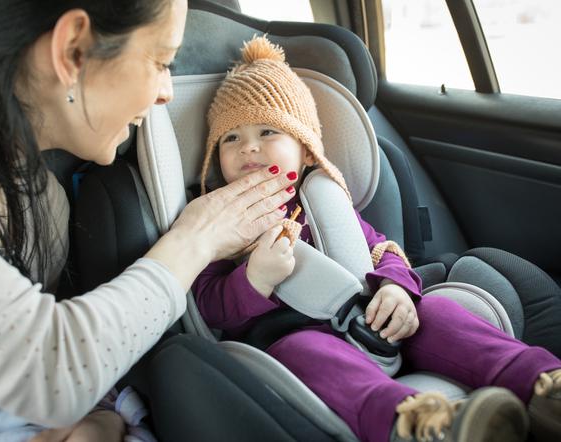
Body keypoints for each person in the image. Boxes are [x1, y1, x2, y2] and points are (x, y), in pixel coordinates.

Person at [0, 2, 301, 440]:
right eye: (161, 61)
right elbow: (50, 371)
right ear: (72, 50)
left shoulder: (42, 199)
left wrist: (102, 420)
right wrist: (195, 238)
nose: (166, 91)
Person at [192, 35, 561, 442]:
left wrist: (397, 289)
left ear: (307, 150)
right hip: (289, 338)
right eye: (231, 138)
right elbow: (206, 305)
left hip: (375, 321)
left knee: (438, 312)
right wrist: (253, 280)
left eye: (267, 131)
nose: (249, 148)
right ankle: (419, 423)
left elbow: (383, 250)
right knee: (309, 353)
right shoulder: (220, 220)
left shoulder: (325, 204)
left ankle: (543, 385)